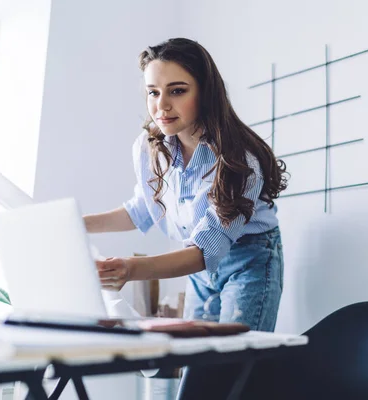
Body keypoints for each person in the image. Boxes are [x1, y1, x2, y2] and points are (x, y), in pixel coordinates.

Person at [83, 37, 288, 333]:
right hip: (197, 263)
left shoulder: (240, 161)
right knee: (193, 360)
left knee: (237, 364)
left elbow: (206, 250)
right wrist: (74, 225)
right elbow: (143, 209)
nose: (161, 106)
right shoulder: (149, 147)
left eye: (177, 91)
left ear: (206, 93)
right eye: (153, 92)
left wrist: (129, 269)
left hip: (249, 258)